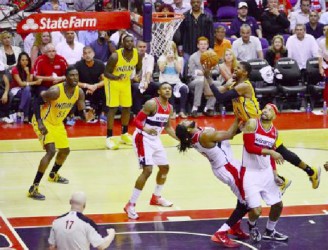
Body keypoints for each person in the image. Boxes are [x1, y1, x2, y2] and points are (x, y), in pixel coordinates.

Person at [204, 61, 321, 190]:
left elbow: (220, 97)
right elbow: (209, 94)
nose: (235, 70)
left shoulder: (245, 86)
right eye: (235, 68)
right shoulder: (233, 83)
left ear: (246, 73)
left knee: (280, 151)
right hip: (244, 120)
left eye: (238, 68)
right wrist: (208, 77)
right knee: (229, 135)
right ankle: (280, 179)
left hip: (257, 122)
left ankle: (310, 172)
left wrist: (211, 79)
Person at [175, 119, 250, 248]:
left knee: (242, 197)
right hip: (228, 168)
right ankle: (221, 232)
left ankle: (235, 226)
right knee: (247, 202)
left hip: (225, 166)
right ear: (188, 129)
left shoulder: (195, 135)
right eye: (184, 123)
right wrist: (238, 116)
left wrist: (241, 123)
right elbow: (229, 134)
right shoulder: (204, 136)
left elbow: (228, 135)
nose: (185, 120)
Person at [28, 66, 94, 200]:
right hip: (44, 120)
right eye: (72, 75)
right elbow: (35, 101)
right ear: (66, 77)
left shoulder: (79, 92)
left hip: (57, 123)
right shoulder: (55, 91)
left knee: (65, 150)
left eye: (76, 75)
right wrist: (40, 123)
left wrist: (86, 116)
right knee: (51, 151)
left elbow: (81, 113)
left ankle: (53, 175)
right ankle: (33, 187)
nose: (75, 78)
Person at [124, 82, 178, 220]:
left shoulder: (169, 108)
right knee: (147, 170)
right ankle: (130, 204)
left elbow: (168, 127)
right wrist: (145, 128)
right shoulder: (151, 104)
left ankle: (156, 197)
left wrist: (180, 139)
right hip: (142, 138)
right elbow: (136, 121)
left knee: (165, 168)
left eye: (169, 89)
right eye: (164, 88)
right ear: (159, 92)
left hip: (155, 139)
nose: (167, 90)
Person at [242, 103, 288, 242]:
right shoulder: (252, 124)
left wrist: (275, 174)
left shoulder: (275, 132)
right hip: (250, 172)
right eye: (265, 108)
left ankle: (270, 230)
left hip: (266, 172)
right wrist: (271, 152)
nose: (265, 111)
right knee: (256, 211)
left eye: (269, 110)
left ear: (274, 115)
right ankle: (252, 226)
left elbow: (271, 158)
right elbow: (250, 147)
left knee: (278, 205)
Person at [104, 35, 142, 150]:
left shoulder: (137, 54)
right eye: (127, 41)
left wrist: (137, 76)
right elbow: (106, 73)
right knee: (113, 108)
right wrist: (116, 77)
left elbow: (139, 68)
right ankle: (109, 137)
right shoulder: (115, 56)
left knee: (127, 107)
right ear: (122, 43)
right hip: (113, 82)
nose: (129, 43)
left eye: (131, 41)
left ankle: (124, 134)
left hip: (126, 82)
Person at [48, 191, 115, 250]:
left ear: (70, 202)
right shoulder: (88, 223)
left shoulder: (57, 221)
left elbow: (52, 247)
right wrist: (111, 234)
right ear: (84, 205)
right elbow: (101, 246)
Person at [158, 41, 188, 118]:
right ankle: (172, 111)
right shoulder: (162, 58)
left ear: (174, 49)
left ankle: (182, 110)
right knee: (169, 88)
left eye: (171, 48)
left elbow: (179, 71)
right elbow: (161, 69)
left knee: (184, 89)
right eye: (168, 49)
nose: (169, 50)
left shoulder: (180, 59)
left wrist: (174, 61)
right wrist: (166, 61)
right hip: (165, 81)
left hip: (176, 81)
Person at [188, 37, 217, 117]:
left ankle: (208, 108)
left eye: (205, 44)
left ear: (207, 45)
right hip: (195, 80)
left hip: (208, 79)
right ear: (198, 45)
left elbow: (217, 70)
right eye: (201, 44)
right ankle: (195, 108)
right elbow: (190, 72)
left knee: (218, 84)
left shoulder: (212, 55)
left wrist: (209, 72)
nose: (203, 46)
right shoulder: (193, 56)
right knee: (200, 81)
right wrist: (197, 72)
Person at [75, 46, 106, 123]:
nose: (87, 55)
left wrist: (95, 86)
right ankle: (72, 115)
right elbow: (75, 82)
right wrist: (87, 86)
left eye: (89, 52)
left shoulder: (100, 64)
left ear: (93, 54)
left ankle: (103, 113)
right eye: (85, 53)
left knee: (108, 88)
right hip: (83, 89)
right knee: (75, 89)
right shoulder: (78, 65)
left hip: (96, 88)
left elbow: (106, 80)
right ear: (82, 55)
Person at [10, 52, 42, 122]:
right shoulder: (15, 69)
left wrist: (28, 73)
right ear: (19, 61)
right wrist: (35, 82)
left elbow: (28, 83)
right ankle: (25, 115)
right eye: (23, 60)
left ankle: (21, 112)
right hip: (16, 89)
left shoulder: (30, 68)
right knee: (28, 92)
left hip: (25, 90)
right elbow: (21, 84)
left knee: (27, 91)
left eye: (26, 60)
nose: (25, 62)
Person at [131, 40, 159, 115]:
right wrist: (134, 78)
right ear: (136, 47)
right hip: (133, 82)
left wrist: (146, 81)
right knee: (137, 87)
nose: (142, 49)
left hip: (145, 81)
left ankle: (154, 109)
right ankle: (137, 112)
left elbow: (149, 71)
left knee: (157, 86)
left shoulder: (150, 57)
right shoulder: (132, 57)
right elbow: (132, 74)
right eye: (140, 47)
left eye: (144, 47)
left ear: (146, 48)